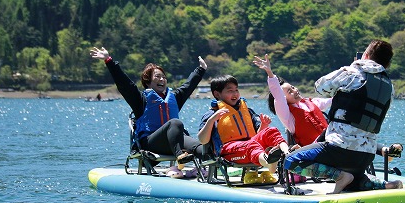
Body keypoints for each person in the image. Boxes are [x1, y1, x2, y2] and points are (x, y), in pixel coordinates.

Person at [253, 54, 402, 189]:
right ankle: (380, 154)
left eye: (293, 87)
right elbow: (278, 96)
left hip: (334, 144)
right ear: (282, 101)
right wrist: (270, 74)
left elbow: (340, 97)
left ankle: (383, 179)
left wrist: (354, 77)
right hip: (316, 152)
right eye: (289, 92)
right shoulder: (287, 115)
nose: (294, 91)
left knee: (348, 129)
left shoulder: (312, 102)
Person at [90, 46, 207, 179]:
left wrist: (201, 69)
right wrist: (109, 61)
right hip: (151, 143)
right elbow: (124, 84)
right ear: (148, 81)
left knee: (201, 147)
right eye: (158, 76)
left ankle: (218, 165)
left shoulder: (174, 97)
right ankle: (180, 159)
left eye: (164, 77)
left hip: (175, 143)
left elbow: (189, 85)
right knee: (175, 123)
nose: (162, 79)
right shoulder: (140, 100)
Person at [196, 75, 294, 185]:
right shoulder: (212, 114)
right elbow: (202, 140)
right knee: (251, 146)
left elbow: (258, 135)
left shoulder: (248, 111)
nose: (235, 94)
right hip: (228, 151)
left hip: (251, 147)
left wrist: (263, 125)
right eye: (230, 91)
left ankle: (288, 154)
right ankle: (269, 163)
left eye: (236, 90)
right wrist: (212, 120)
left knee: (271, 131)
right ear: (217, 94)